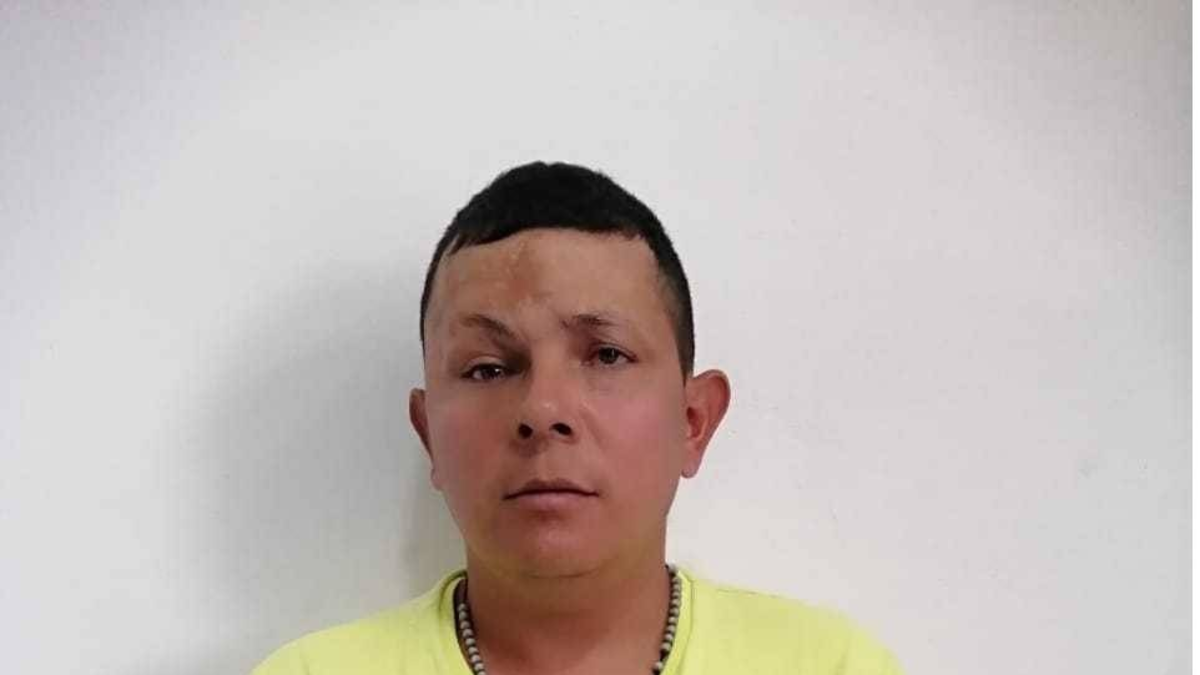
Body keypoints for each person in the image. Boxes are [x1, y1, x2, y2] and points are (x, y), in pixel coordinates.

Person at [251, 161, 903, 674]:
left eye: (606, 355)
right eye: (488, 368)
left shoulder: (833, 666)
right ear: (429, 437)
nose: (543, 410)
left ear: (693, 421)